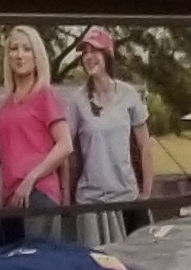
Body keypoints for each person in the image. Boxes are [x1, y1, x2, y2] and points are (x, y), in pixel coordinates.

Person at [59, 26, 153, 208]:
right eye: (85, 52)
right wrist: (65, 200)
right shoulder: (77, 100)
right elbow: (65, 152)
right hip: (89, 200)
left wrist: (147, 194)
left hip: (126, 197)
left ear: (107, 55)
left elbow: (145, 146)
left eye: (94, 50)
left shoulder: (129, 94)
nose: (88, 57)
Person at [0, 25, 71, 211]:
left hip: (40, 193)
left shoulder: (45, 95)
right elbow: (4, 161)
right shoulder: (3, 106)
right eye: (14, 49)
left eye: (26, 49)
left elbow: (65, 145)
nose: (19, 55)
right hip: (12, 199)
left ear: (36, 55)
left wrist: (31, 178)